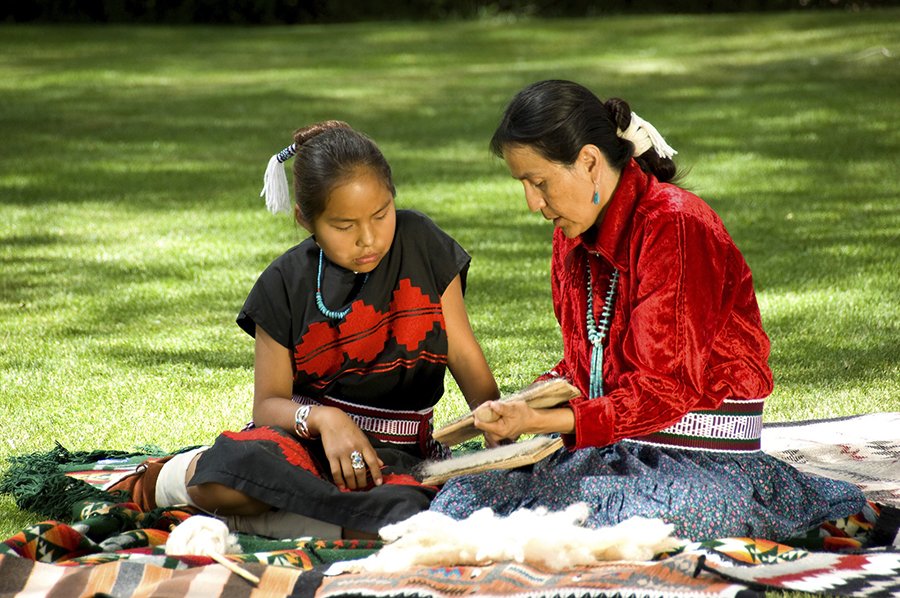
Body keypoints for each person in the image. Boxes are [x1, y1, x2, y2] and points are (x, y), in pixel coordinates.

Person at [429, 80, 867, 542]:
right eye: (525, 185)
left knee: (623, 523)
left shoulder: (676, 225)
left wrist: (542, 422)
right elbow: (586, 365)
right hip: (609, 446)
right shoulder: (571, 237)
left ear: (590, 162)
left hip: (701, 458)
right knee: (465, 497)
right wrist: (525, 406)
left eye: (539, 183)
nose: (533, 203)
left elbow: (667, 387)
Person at [115, 120, 499, 539]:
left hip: (394, 455)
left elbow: (462, 353)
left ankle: (249, 522)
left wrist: (500, 428)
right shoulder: (283, 283)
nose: (368, 238)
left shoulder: (423, 244)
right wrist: (325, 419)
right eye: (343, 226)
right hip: (304, 442)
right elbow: (268, 404)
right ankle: (165, 480)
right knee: (230, 476)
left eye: (381, 214)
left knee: (406, 517)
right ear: (305, 220)